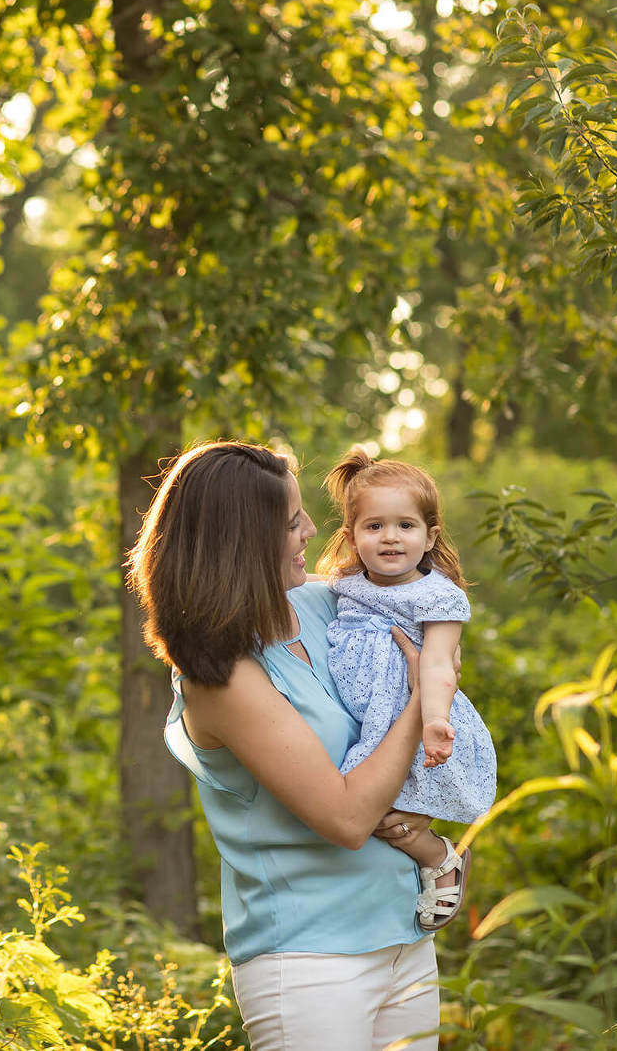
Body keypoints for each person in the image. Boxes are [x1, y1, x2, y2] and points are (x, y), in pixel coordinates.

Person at [127, 440, 449, 1051]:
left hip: (404, 935)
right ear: (243, 541)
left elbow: (433, 616)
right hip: (312, 963)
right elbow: (348, 817)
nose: (311, 530)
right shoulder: (220, 679)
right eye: (291, 520)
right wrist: (419, 700)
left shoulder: (328, 602)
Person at [315, 448, 495, 932]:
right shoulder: (347, 583)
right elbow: (300, 583)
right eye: (374, 527)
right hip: (361, 716)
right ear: (351, 536)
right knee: (349, 804)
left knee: (377, 814)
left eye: (405, 526)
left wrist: (435, 720)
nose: (390, 537)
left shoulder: (436, 596)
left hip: (408, 718)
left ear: (430, 535)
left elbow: (437, 663)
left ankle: (439, 859)